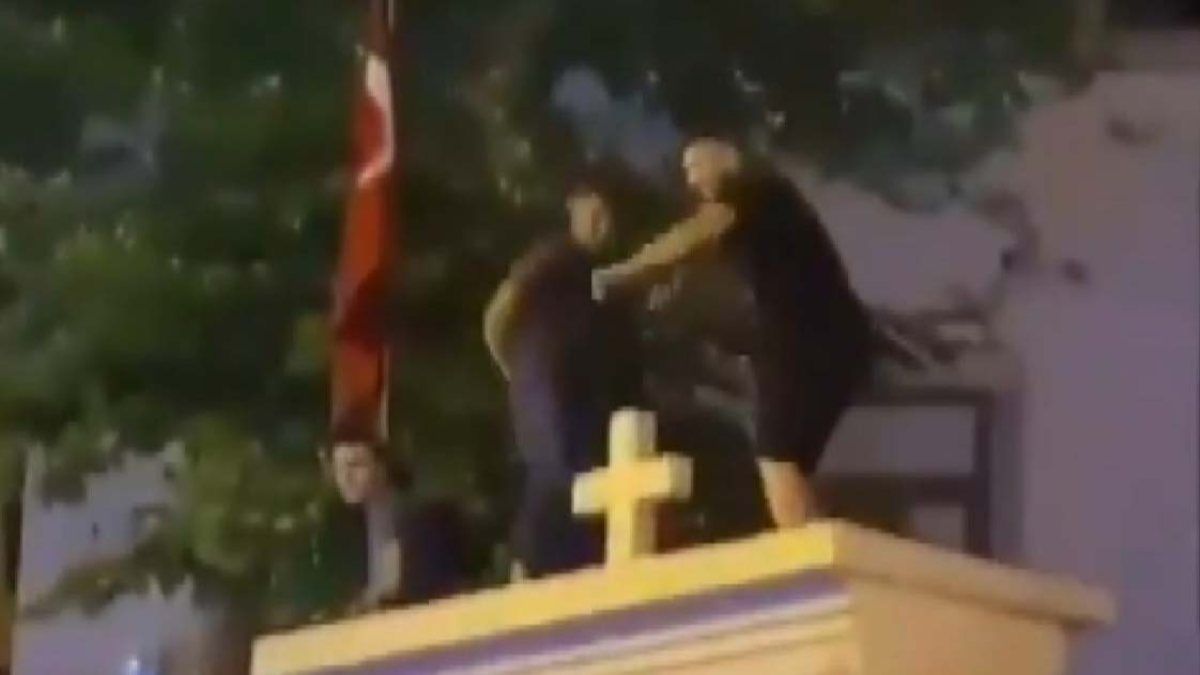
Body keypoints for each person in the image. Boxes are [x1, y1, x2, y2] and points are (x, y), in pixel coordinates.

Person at [592, 138, 872, 529]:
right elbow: (697, 260)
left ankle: (803, 545)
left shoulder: (752, 189)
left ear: (727, 160)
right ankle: (811, 532)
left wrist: (624, 274)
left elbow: (692, 237)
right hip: (837, 340)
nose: (692, 181)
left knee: (775, 457)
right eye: (686, 172)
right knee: (789, 463)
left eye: (697, 167)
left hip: (804, 339)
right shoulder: (766, 214)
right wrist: (666, 286)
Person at [483, 179, 642, 578]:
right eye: (594, 212)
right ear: (574, 208)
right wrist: (516, 370)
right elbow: (500, 310)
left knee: (583, 486)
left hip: (587, 398)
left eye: (608, 216)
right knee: (555, 473)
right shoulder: (553, 257)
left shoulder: (608, 279)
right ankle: (528, 565)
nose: (602, 224)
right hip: (549, 391)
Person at [324, 434, 473, 611]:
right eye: (338, 469)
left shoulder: (417, 520)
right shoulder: (357, 525)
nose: (345, 478)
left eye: (355, 465)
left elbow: (398, 591)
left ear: (382, 466)